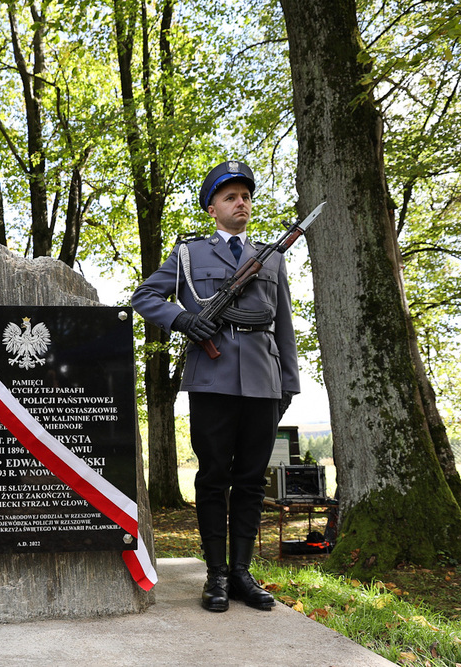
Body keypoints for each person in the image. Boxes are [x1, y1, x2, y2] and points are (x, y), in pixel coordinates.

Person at [131, 161, 299, 612]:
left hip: (264, 381)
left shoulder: (272, 256)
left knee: (250, 481)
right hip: (212, 378)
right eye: (230, 197)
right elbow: (144, 297)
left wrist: (289, 385)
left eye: (245, 195)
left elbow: (283, 323)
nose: (240, 202)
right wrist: (182, 319)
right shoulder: (188, 255)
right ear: (212, 208)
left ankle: (243, 573)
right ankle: (217, 575)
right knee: (212, 480)